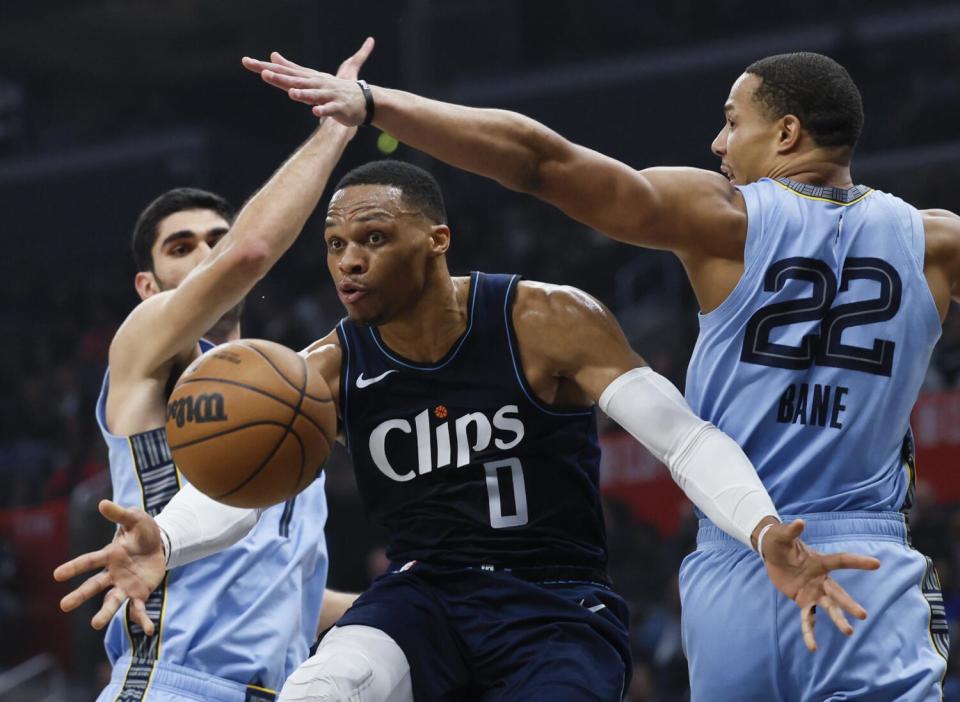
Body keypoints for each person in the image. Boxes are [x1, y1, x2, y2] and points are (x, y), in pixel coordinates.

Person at [244, 49, 956, 700]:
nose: (718, 145)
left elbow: (538, 161)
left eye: (732, 122)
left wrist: (375, 103)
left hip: (737, 555)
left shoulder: (723, 218)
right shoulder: (938, 243)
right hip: (862, 559)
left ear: (788, 133)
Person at [148, 157, 873, 701]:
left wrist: (763, 528)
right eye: (336, 244)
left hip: (554, 602)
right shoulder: (327, 368)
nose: (349, 261)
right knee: (322, 688)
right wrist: (165, 538)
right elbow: (243, 484)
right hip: (422, 598)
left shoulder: (547, 319)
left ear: (436, 240)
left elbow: (680, 438)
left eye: (372, 237)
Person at [52, 39, 373, 702]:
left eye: (213, 241)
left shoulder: (287, 408)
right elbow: (252, 248)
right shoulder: (145, 348)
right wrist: (337, 129)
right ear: (148, 285)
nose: (204, 254)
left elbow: (285, 596)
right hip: (172, 687)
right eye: (181, 246)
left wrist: (414, 609)